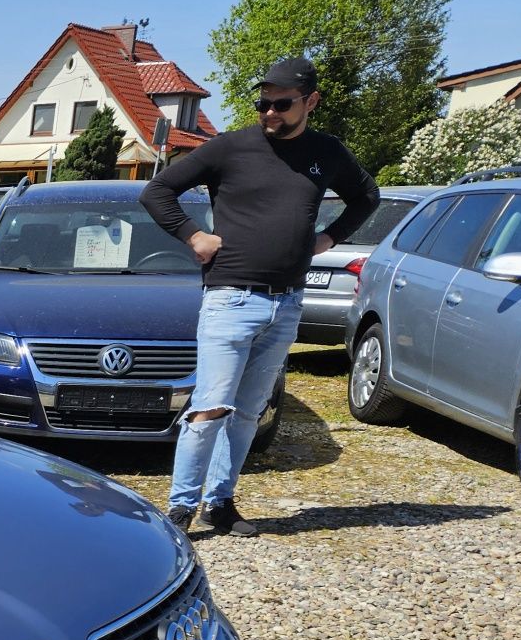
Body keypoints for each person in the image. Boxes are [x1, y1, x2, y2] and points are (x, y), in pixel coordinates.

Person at [141, 56, 377, 536]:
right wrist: (193, 236)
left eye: (281, 104)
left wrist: (327, 240)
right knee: (210, 408)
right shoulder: (230, 148)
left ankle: (220, 502)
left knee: (248, 412)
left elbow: (366, 197)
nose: (269, 112)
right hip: (230, 299)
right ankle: (181, 508)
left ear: (310, 102)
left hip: (286, 303)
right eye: (263, 103)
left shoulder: (326, 153)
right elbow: (157, 191)